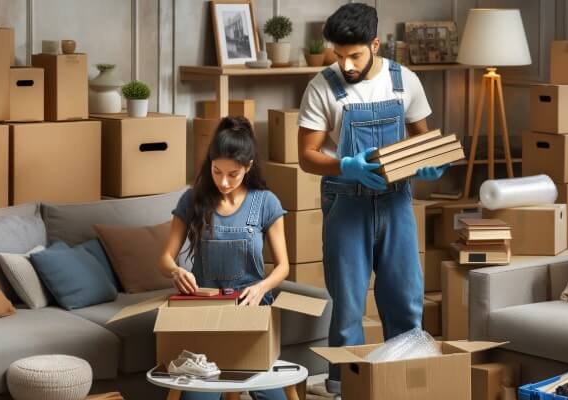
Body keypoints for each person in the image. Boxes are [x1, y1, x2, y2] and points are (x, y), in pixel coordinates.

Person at [296, 3, 447, 394]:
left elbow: (422, 141)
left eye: (355, 55)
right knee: (348, 310)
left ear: (375, 44)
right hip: (347, 206)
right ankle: (347, 388)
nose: (345, 65)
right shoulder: (321, 86)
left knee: (405, 302)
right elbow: (307, 156)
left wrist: (429, 165)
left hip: (397, 204)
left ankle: (408, 385)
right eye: (339, 55)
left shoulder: (405, 81)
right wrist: (345, 165)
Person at [159, 116, 290, 400]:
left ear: (249, 167)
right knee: (199, 396)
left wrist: (262, 287)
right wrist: (176, 271)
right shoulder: (192, 199)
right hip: (204, 314)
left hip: (250, 313)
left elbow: (283, 267)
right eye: (217, 172)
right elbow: (166, 258)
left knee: (272, 395)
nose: (224, 181)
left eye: (234, 174)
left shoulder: (266, 202)